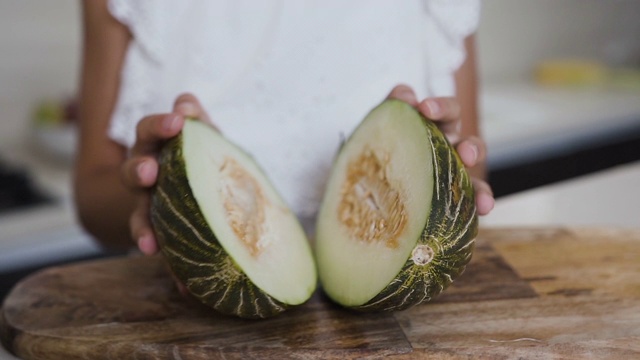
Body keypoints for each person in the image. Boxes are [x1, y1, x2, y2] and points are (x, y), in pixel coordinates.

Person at [74, 0, 494, 255]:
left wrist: (452, 185)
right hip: (187, 327)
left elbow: (471, 168)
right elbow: (92, 196)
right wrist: (160, 195)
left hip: (390, 329)